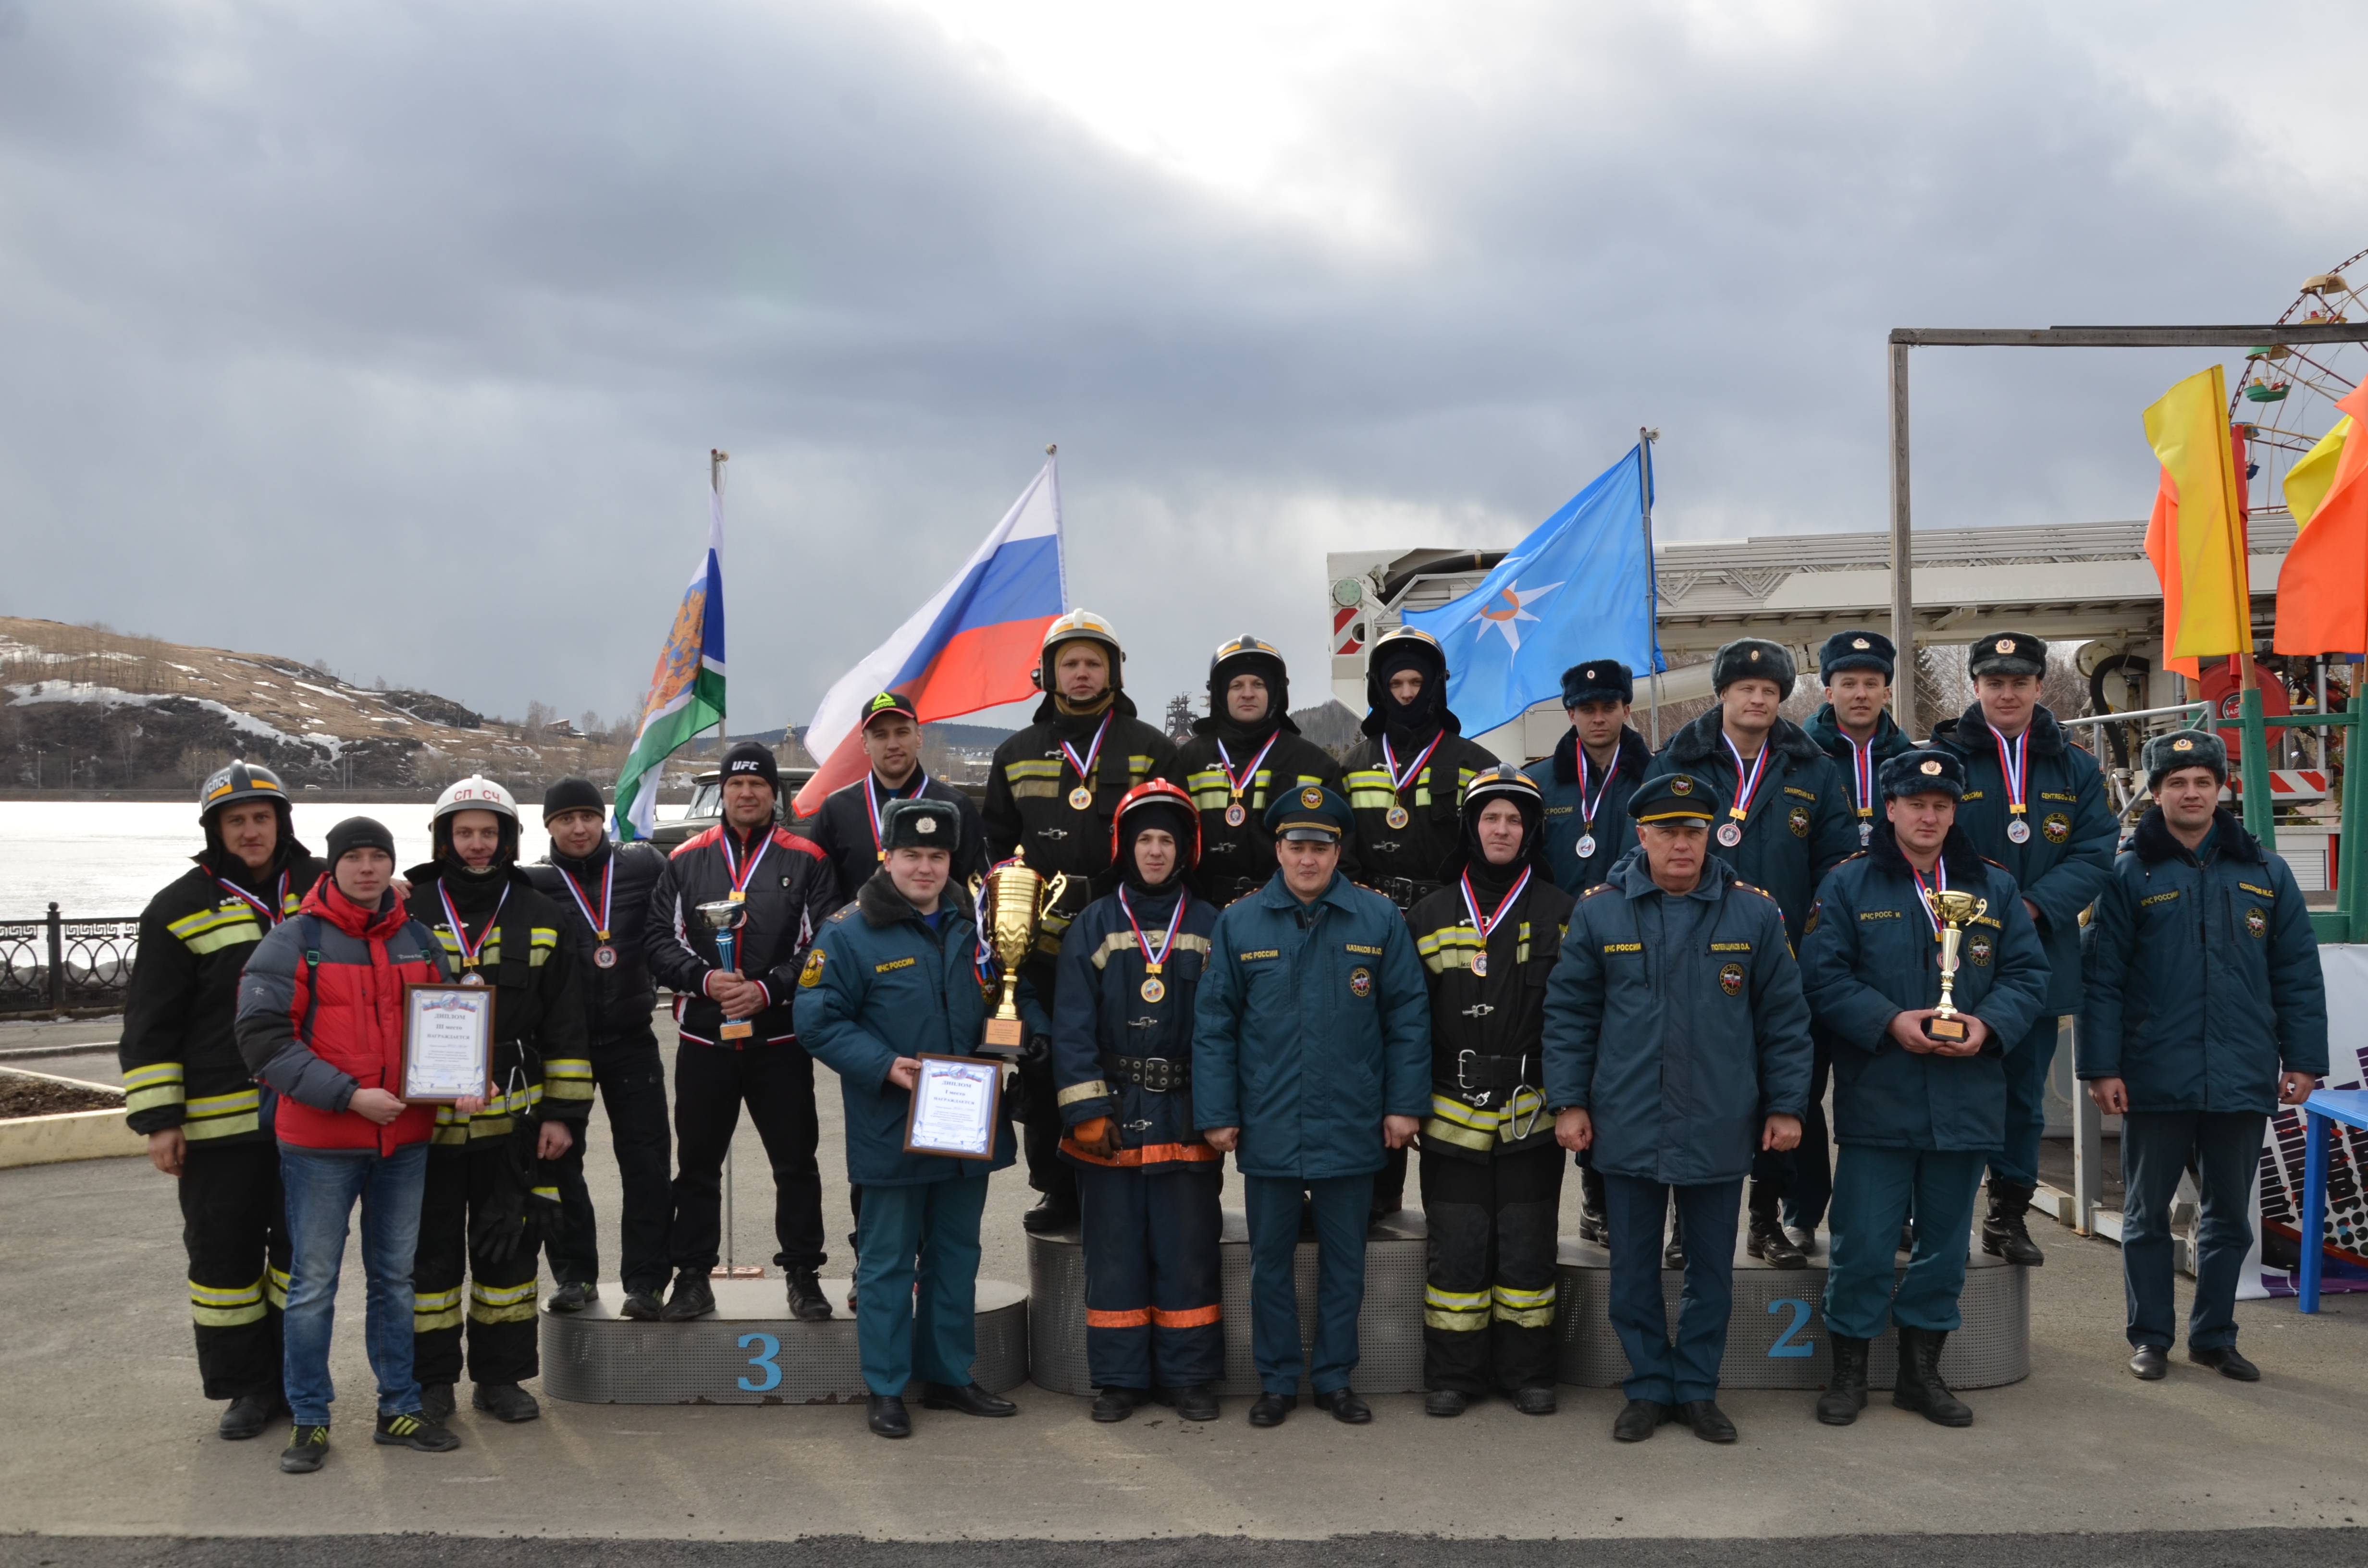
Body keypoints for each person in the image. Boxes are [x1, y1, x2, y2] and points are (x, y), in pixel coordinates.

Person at [1542, 773, 1814, 1445]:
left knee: (1710, 1273)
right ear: (1641, 836)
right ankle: (1646, 1387)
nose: (1681, 845)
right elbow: (1569, 1015)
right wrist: (1569, 1102)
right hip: (1627, 1122)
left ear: (1711, 836)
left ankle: (1695, 1388)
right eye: (1666, 832)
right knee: (1632, 1271)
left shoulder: (1752, 913)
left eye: (1693, 831)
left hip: (1720, 1122)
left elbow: (1784, 1018)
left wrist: (1786, 1107)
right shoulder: (1600, 912)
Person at [1798, 749, 2048, 1428]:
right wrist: (1889, 1020)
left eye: (1942, 806)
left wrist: (1987, 1024)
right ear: (1891, 808)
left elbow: (2028, 975)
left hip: (1967, 1097)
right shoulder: (1849, 885)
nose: (1930, 816)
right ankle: (1848, 1374)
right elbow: (1822, 978)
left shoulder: (1992, 887)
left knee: (1943, 1247)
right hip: (1881, 1090)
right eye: (1916, 804)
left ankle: (1921, 1375)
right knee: (1864, 1244)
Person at [2079, 730, 2327, 1383]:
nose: (2191, 793)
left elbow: (2297, 974)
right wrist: (2101, 1068)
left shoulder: (2267, 873)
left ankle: (2215, 1337)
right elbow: (2102, 979)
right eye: (2177, 783)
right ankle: (2152, 1338)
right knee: (2145, 1215)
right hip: (2153, 1075)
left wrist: (2303, 1061)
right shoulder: (2128, 875)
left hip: (2242, 1075)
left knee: (2229, 1218)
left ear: (2222, 790)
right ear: (2156, 793)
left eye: (2203, 782)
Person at [1192, 784, 1429, 1428]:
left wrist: (1404, 1107)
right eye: (1297, 846)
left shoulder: (1378, 920)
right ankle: (1276, 1381)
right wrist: (1218, 1112)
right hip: (1269, 1125)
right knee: (1270, 1265)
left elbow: (1407, 1017)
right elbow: (1214, 1027)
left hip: (1352, 1123)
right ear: (1278, 849)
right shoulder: (1239, 923)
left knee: (1344, 1265)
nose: (1308, 859)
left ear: (1337, 851)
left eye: (1320, 847)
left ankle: (1332, 1379)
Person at [234, 816, 463, 1472]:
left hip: (406, 1142)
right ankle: (309, 1418)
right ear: (331, 867)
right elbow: (263, 1040)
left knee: (395, 1281)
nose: (368, 868)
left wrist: (457, 1083)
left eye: (379, 857)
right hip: (319, 1144)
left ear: (393, 866)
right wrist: (348, 1096)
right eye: (355, 857)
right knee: (312, 1284)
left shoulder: (419, 938)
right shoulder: (293, 941)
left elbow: (444, 1024)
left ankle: (398, 1407)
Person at [796, 796, 1018, 1438]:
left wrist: (1012, 1037)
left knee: (956, 1255)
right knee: (889, 1262)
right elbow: (816, 1021)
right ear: (885, 857)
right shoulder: (847, 933)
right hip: (891, 1125)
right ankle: (887, 1388)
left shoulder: (973, 923)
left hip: (966, 1123)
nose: (925, 868)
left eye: (937, 856)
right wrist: (884, 1064)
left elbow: (1009, 993)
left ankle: (949, 1376)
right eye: (912, 855)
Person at [119, 762, 323, 1440]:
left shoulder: (327, 885)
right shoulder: (177, 907)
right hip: (217, 1128)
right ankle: (246, 1389)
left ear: (281, 822)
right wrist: (158, 1121)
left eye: (261, 817)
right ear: (215, 830)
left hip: (309, 1117)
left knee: (302, 1261)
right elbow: (151, 1023)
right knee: (225, 1264)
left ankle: (296, 1383)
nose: (251, 831)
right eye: (235, 821)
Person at [1642, 638, 1854, 1270]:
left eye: (1769, 691)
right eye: (1745, 689)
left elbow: (1838, 868)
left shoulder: (1812, 767)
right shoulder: (1678, 760)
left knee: (1785, 1093)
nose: (1758, 699)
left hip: (1784, 966)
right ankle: (1688, 1228)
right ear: (1723, 694)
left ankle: (1767, 1219)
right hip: (1695, 961)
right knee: (1692, 1094)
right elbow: (1650, 857)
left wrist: (1819, 949)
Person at [982, 610, 1179, 1236]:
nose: (1083, 672)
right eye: (1070, 662)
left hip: (1129, 936)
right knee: (1044, 1067)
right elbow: (996, 846)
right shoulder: (1014, 753)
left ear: (1114, 672)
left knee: (1125, 1054)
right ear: (1048, 674)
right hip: (1039, 944)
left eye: (1095, 662)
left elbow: (1174, 836)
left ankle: (1129, 1172)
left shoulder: (1152, 747)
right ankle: (1056, 1188)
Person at [404, 776, 589, 1425]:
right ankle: (430, 1383)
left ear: (508, 839)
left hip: (514, 1120)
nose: (477, 844)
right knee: (426, 1260)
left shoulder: (543, 912)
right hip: (424, 1125)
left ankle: (500, 1377)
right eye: (465, 832)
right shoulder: (410, 908)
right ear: (444, 838)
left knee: (509, 1252)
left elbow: (566, 1022)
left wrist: (564, 1115)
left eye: (489, 832)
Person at [1929, 631, 2115, 1266]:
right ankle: (1934, 1215)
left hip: (2039, 956)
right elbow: (1923, 836)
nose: (2007, 693)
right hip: (1952, 952)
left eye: (2019, 682)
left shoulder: (2077, 766)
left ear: (2039, 687)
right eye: (1994, 682)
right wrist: (1983, 906)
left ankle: (2008, 1216)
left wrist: (2032, 906)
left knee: (2022, 1095)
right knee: (1941, 1088)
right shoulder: (1943, 758)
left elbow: (2096, 851)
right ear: (1975, 688)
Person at [646, 741, 842, 1323]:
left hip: (779, 1039)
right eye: (737, 785)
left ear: (774, 793)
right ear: (724, 792)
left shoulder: (807, 858)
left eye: (758, 785)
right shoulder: (683, 859)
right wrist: (707, 982)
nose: (747, 794)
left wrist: (768, 990)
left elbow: (823, 945)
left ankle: (804, 1273)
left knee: (795, 1162)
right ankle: (692, 1276)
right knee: (698, 1165)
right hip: (706, 1039)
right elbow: (659, 941)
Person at [1048, 780, 1225, 1424]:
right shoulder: (1092, 924)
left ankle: (1190, 1377)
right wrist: (1085, 1110)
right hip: (1112, 1117)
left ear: (1186, 851)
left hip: (1187, 1114)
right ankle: (1119, 1378)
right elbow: (1070, 1024)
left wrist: (1220, 1112)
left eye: (1166, 841)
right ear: (1125, 846)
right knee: (1115, 1252)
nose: (1155, 852)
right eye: (1144, 839)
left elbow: (1227, 1027)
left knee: (1188, 1252)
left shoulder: (1212, 927)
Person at [1406, 766, 1575, 1417]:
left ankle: (1528, 1373)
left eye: (1513, 820)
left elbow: (1576, 1020)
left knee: (1530, 1246)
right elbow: (1406, 1021)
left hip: (1531, 1116)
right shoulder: (1427, 916)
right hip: (1449, 1118)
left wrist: (1571, 1102)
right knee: (1458, 1249)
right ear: (1471, 828)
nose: (1501, 829)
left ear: (1530, 832)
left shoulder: (1564, 914)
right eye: (1490, 818)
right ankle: (1453, 1376)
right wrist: (1404, 1105)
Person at [1339, 625, 1496, 1220]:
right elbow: (1339, 851)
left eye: (1416, 682)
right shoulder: (1352, 766)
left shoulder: (1472, 763)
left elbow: (1487, 852)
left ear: (1435, 687)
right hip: (1372, 926)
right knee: (1375, 1049)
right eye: (1395, 683)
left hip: (1446, 927)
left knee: (1441, 1046)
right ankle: (1380, 1193)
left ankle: (1450, 1194)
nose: (1406, 693)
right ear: (1378, 689)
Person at [523, 778, 674, 1320]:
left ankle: (648, 1280)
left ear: (602, 819)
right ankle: (574, 1275)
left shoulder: (642, 866)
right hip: (564, 1046)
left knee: (647, 1162)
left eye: (588, 816)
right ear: (549, 827)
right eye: (566, 819)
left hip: (632, 1036)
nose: (579, 827)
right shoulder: (531, 883)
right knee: (560, 1161)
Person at [1790, 630, 1918, 1250]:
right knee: (1804, 1084)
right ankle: (1802, 1208)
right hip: (1818, 940)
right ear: (1828, 688)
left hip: (1893, 940)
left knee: (1886, 1088)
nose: (1861, 694)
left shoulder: (1916, 756)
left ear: (1887, 689)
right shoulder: (1796, 755)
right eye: (1849, 682)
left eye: (1872, 683)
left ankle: (1889, 1213)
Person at [1533, 660, 1652, 1245]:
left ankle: (1640, 1198)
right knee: (1581, 1072)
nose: (1598, 717)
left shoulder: (1656, 780)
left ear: (1626, 709)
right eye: (1586, 708)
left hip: (1638, 949)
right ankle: (1594, 1194)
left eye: (1609, 706)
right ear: (1570, 713)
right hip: (1563, 956)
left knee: (1630, 1072)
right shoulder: (1539, 783)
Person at [1162, 635, 1346, 905]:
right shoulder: (1188, 760)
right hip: (1203, 910)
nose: (1248, 693)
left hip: (1286, 909)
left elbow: (1341, 855)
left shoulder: (1314, 765)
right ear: (1220, 694)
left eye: (1258, 684)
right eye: (1237, 685)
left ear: (1275, 693)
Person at [807, 690, 987, 900]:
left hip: (932, 932)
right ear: (865, 744)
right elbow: (819, 893)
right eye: (881, 735)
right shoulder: (836, 809)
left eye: (902, 732)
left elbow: (976, 890)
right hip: (856, 932)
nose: (893, 744)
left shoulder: (955, 806)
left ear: (919, 737)